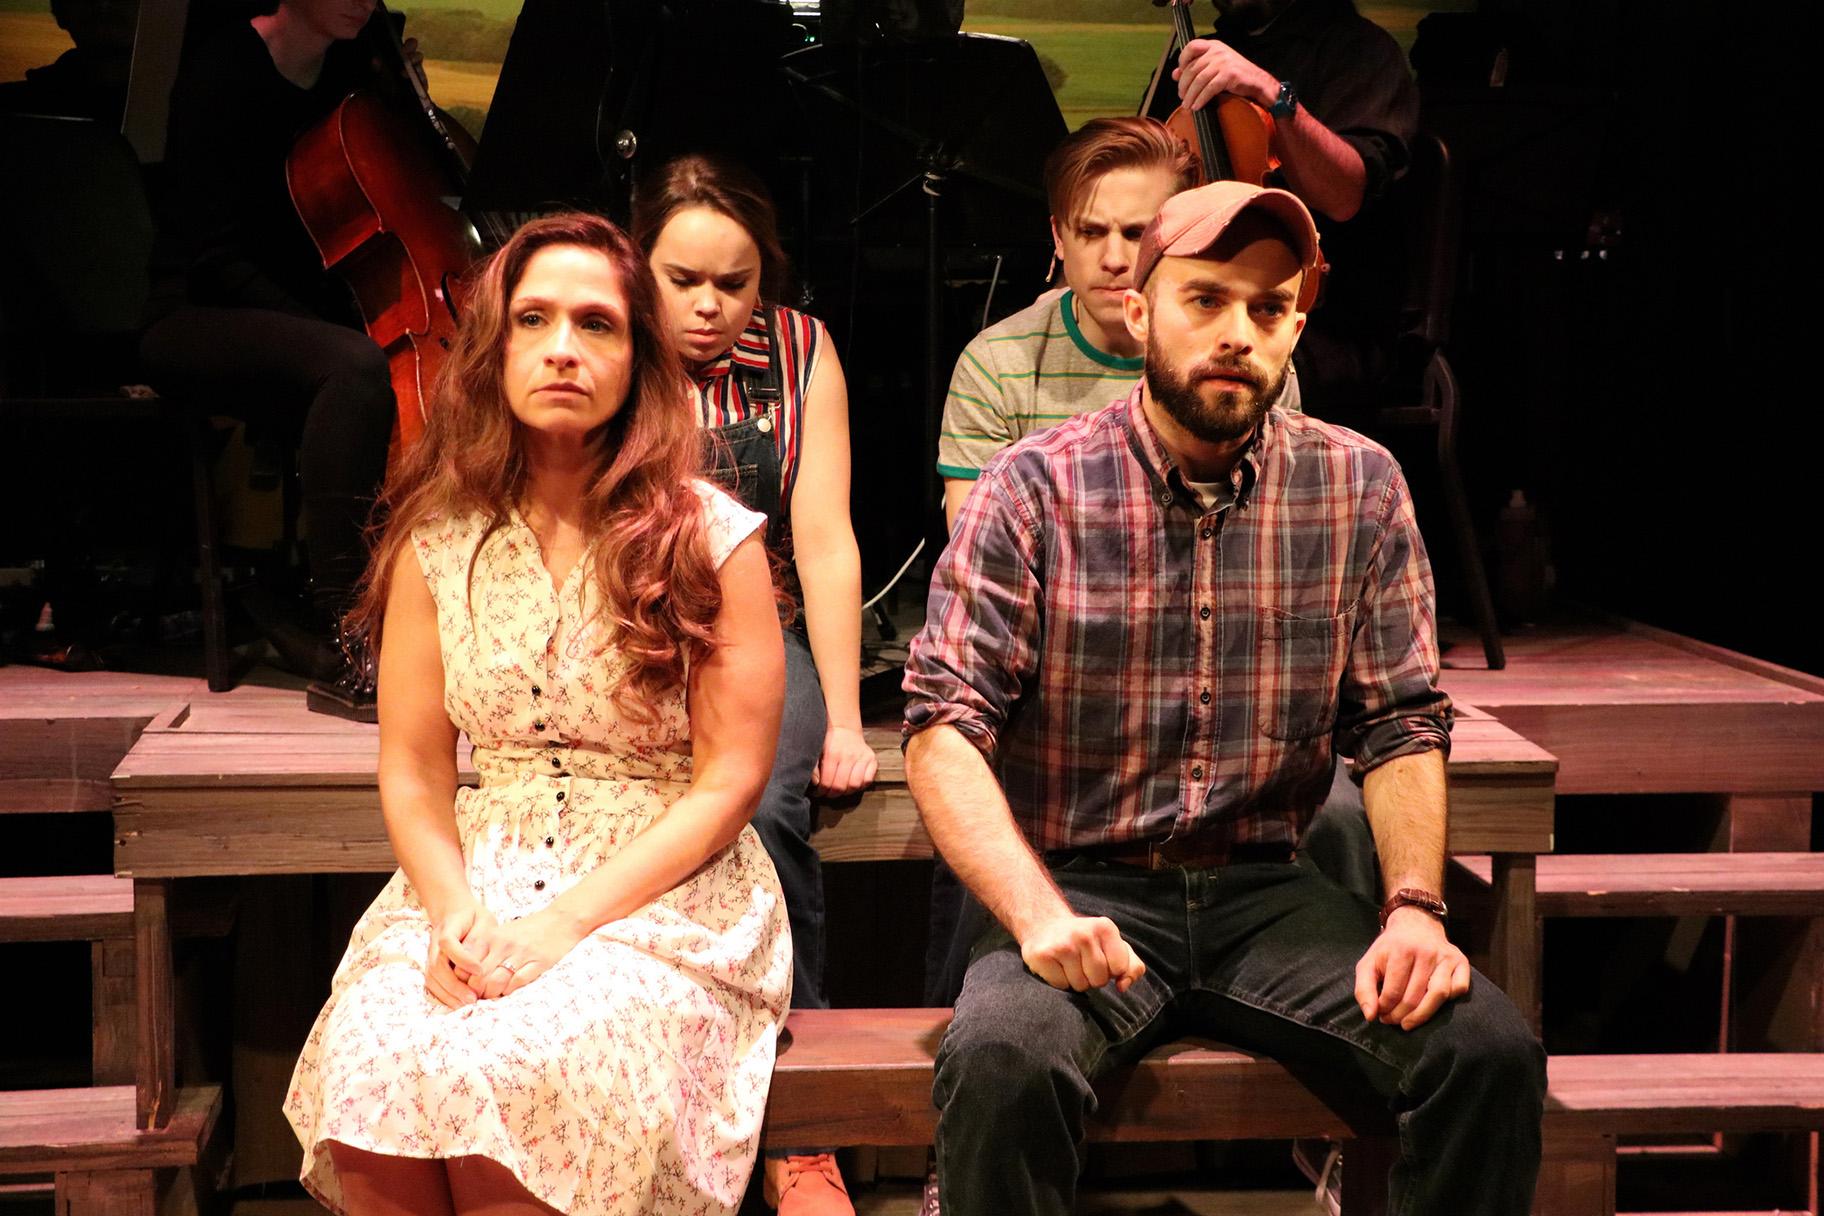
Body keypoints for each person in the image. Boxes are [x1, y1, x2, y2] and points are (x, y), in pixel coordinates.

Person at [902, 180, 1545, 1214]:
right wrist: (1033, 914)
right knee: (1004, 1055)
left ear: (1297, 323)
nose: (1238, 332)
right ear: (1138, 308)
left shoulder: (1358, 485)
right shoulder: (1036, 486)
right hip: (1083, 887)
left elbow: (1400, 722)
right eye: (1206, 300)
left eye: (1268, 307)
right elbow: (941, 724)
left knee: (1487, 1050)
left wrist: (1416, 907)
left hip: (1267, 895)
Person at [283, 212, 792, 1215]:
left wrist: (563, 925)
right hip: (476, 876)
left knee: (520, 1060)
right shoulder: (440, 537)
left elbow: (729, 781)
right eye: (534, 320)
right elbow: (417, 768)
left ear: (638, 356)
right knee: (375, 1057)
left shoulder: (711, 540)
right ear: (497, 347)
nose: (563, 347)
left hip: (660, 895)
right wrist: (451, 910)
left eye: (596, 324)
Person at [633, 154, 871, 1216]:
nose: (708, 305)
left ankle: (798, 1130)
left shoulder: (800, 350)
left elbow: (823, 543)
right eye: (683, 279)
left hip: (757, 634)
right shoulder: (601, 344)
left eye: (732, 283)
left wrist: (852, 719)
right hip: (624, 638)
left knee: (770, 811)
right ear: (640, 269)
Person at [139, 0, 443, 718]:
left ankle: (423, 616)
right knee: (354, 371)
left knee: (373, 369)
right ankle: (344, 640)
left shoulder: (350, 70)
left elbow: (410, 188)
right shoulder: (223, 71)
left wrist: (414, 104)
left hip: (295, 311)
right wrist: (325, 333)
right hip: (194, 311)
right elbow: (214, 257)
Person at [1165, 0, 1420, 425]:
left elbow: (1343, 195)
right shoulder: (1199, 53)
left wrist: (1273, 95)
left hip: (1322, 320)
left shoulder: (1362, 51)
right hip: (1206, 299)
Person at [937, 117, 1198, 528]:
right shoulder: (997, 366)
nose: (1114, 259)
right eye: (1091, 232)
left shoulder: (1235, 357)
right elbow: (980, 563)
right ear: (1059, 237)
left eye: (1136, 233)